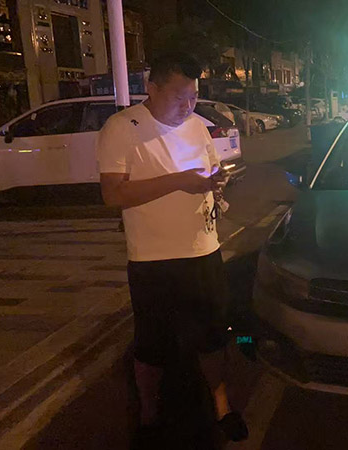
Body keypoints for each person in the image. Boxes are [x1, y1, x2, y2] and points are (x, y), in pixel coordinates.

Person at [96, 52, 247, 446]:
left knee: (213, 335)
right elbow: (113, 193)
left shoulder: (198, 127)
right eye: (179, 97)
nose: (188, 106)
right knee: (152, 344)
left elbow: (210, 170)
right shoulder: (122, 127)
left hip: (204, 250)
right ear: (152, 88)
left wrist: (217, 180)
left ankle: (222, 406)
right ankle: (148, 414)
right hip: (152, 260)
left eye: (194, 96)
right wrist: (178, 181)